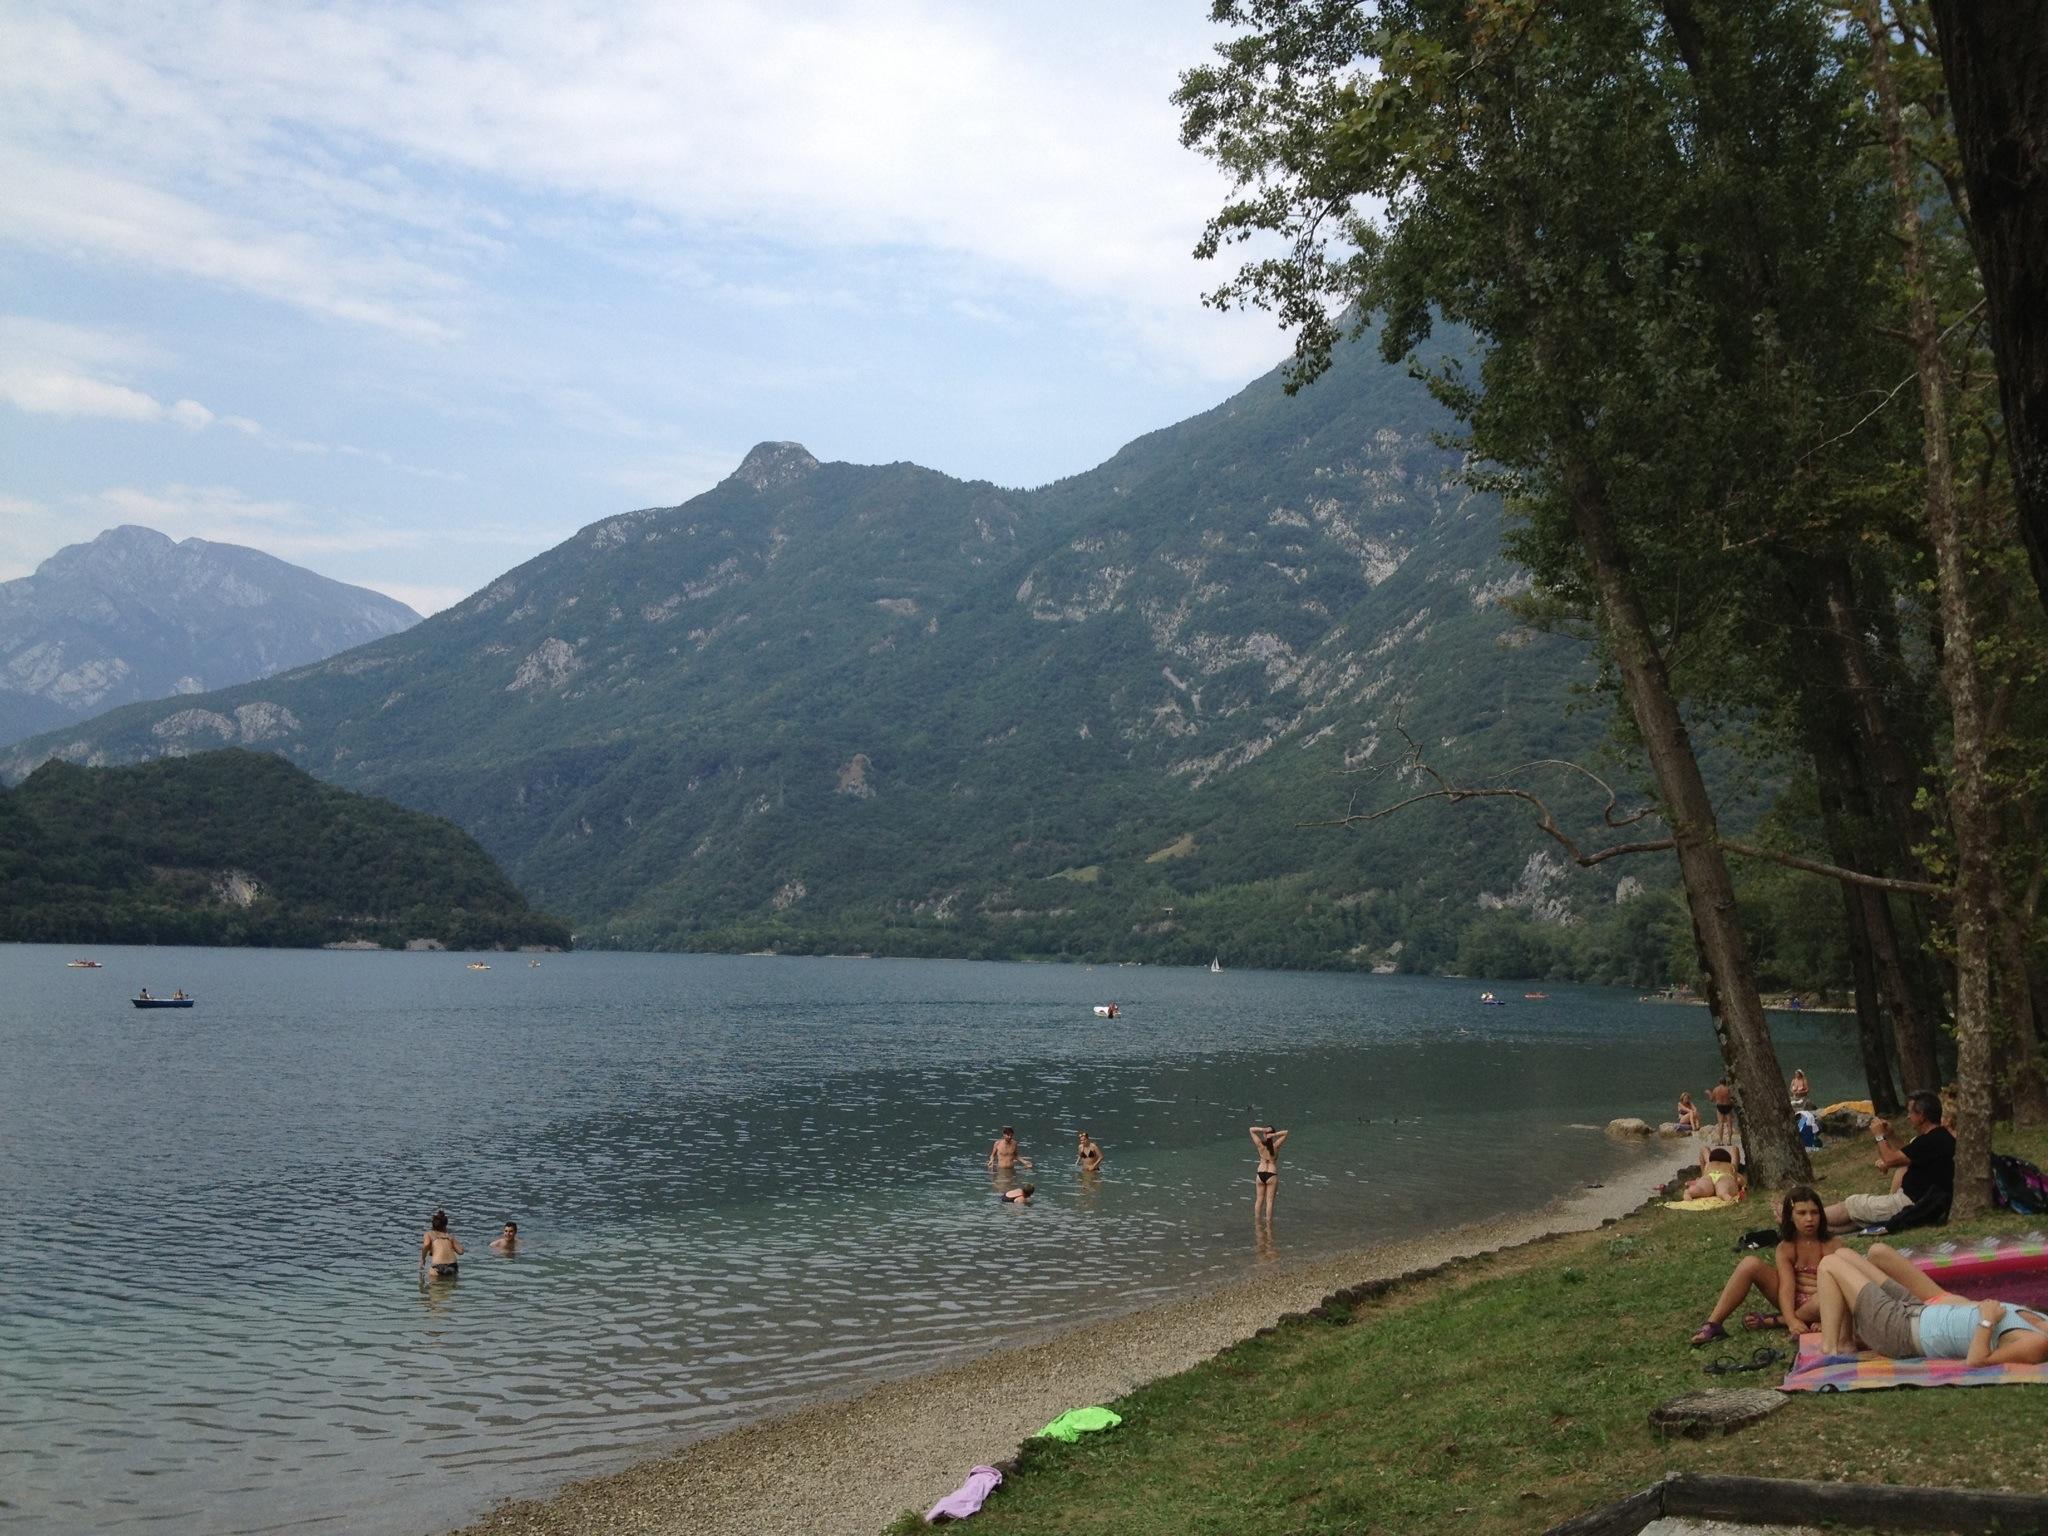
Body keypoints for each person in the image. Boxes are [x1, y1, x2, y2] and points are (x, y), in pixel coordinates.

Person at [1814, 1243, 2048, 1364]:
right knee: (1844, 1254)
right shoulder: (2043, 1323)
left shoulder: (2038, 1344)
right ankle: (1845, 1342)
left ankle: (1831, 1350)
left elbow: (1977, 1361)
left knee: (1829, 1264)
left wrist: (1987, 1320)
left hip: (1902, 1331)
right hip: (1919, 1311)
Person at [1689, 1185, 1840, 1345]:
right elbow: (1786, 1287)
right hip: (1793, 1302)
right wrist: (1792, 1322)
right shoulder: (1786, 1247)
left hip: (1824, 1303)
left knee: (1822, 1298)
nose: (1809, 1219)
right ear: (1790, 1217)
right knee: (1749, 1264)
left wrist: (1826, 1318)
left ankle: (1776, 1320)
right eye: (1802, 1213)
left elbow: (1841, 1288)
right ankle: (1713, 1324)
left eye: (1814, 1212)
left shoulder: (1834, 1244)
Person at [1822, 1090, 1953, 1230]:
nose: (1908, 1117)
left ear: (1921, 1116)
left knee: (1851, 1205)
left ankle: (1803, 1218)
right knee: (1852, 1222)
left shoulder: (1930, 1141)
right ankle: (1808, 1229)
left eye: (1910, 1113)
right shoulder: (1939, 1137)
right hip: (1920, 1202)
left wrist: (1879, 1136)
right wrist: (1891, 1135)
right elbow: (1909, 1155)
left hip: (1908, 1203)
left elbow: (1890, 1160)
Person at [1250, 1124, 1290, 1221]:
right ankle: (1269, 1224)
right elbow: (1286, 1132)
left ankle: (1257, 1222)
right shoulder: (1276, 1146)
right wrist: (1273, 1135)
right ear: (1272, 1135)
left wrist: (1262, 1129)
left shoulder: (1260, 1145)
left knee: (1259, 1200)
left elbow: (1251, 1129)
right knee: (1270, 1201)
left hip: (1260, 1174)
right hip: (1271, 1174)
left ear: (1265, 1134)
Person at [1681, 1145, 1746, 1202]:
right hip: (1725, 1175)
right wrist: (1743, 1185)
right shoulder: (1731, 1166)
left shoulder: (1708, 1164)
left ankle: (1689, 1192)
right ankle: (1724, 1195)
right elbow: (1739, 1178)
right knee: (1723, 1189)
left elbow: (1703, 1149)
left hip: (1709, 1175)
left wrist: (1701, 1177)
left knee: (1701, 1188)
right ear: (1729, 1160)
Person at [419, 1209, 463, 1279]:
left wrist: (423, 1258)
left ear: (433, 1225)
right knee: (450, 1288)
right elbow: (461, 1251)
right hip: (452, 1266)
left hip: (438, 1266)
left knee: (435, 1287)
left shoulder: (429, 1234)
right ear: (445, 1225)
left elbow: (426, 1244)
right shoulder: (449, 1236)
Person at [1708, 1076, 1736, 1148]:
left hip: (1720, 1106)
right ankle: (1729, 1141)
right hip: (1728, 1106)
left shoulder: (1716, 1089)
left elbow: (1711, 1099)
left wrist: (1709, 1093)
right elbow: (1732, 1098)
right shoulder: (1728, 1089)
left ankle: (1721, 1141)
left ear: (1719, 1082)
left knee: (1720, 1124)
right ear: (1725, 1082)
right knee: (1729, 1124)